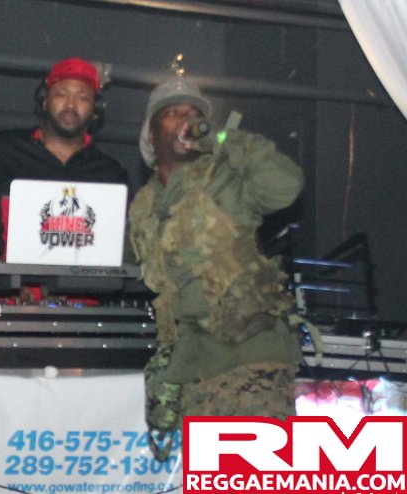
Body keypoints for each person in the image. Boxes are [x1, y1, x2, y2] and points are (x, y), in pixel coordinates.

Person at [127, 74, 304, 453]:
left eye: (194, 113)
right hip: (195, 371)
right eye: (173, 113)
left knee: (252, 477)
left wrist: (223, 139)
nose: (186, 119)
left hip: (251, 359)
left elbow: (286, 186)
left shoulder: (228, 176)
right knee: (212, 478)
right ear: (151, 135)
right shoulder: (143, 205)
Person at [0, 57, 128, 263]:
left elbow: (122, 240)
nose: (71, 104)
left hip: (82, 284)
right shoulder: (4, 149)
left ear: (95, 111)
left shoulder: (110, 172)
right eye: (61, 94)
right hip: (9, 283)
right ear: (45, 101)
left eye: (83, 97)